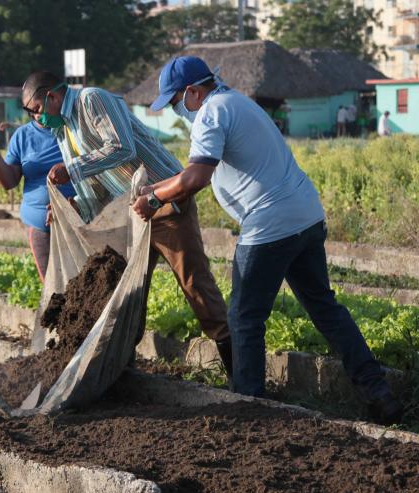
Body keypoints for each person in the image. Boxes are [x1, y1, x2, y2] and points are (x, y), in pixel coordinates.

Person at [134, 56, 403, 424]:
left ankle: (248, 406)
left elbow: (195, 178)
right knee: (325, 308)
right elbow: (194, 173)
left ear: (194, 92)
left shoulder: (211, 112)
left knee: (244, 317)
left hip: (269, 225)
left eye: (177, 102)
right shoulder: (240, 103)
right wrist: (159, 189)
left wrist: (153, 199)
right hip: (306, 216)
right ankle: (378, 392)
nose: (178, 110)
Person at [20, 71, 233, 377]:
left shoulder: (91, 100)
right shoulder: (63, 130)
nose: (37, 120)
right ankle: (120, 373)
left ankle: (240, 375)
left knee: (195, 284)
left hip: (164, 201)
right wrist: (76, 205)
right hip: (132, 213)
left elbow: (122, 148)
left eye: (36, 111)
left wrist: (72, 168)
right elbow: (99, 183)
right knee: (124, 295)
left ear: (52, 96)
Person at [0, 121, 76, 280]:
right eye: (33, 109)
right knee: (51, 284)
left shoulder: (74, 128)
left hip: (80, 221)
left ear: (54, 98)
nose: (39, 113)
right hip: (41, 226)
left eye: (40, 106)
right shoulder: (23, 136)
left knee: (84, 280)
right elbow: (9, 181)